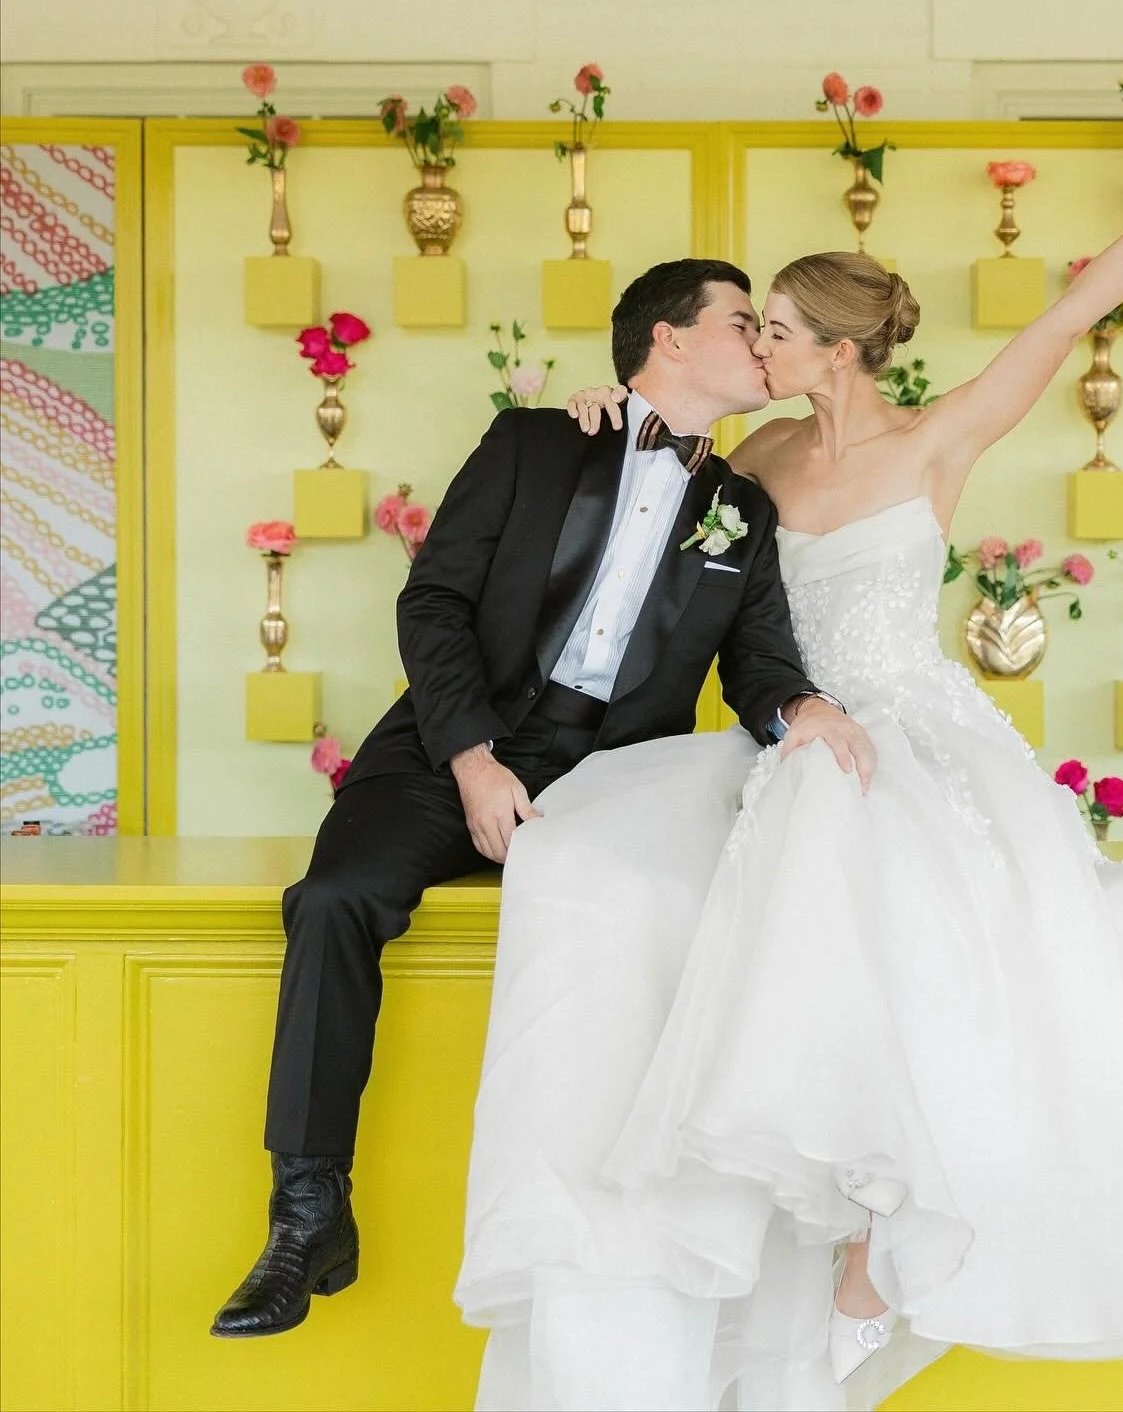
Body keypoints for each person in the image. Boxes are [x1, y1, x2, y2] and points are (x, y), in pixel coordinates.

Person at [457, 171, 1123, 1410]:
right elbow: (651, 486)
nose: (755, 346)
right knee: (722, 867)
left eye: (775, 332)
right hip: (792, 723)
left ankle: (877, 1244)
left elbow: (1073, 314)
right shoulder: (758, 450)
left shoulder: (937, 435)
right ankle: (808, 1230)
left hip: (914, 723)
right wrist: (605, 409)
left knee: (926, 885)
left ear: (836, 351)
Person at [210, 258, 873, 1341]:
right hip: (448, 747)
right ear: (669, 338)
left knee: (647, 927)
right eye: (743, 322)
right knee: (334, 897)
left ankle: (627, 1237)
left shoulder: (742, 508)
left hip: (612, 784)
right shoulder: (535, 442)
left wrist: (803, 709)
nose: (763, 344)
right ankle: (306, 1210)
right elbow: (433, 603)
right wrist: (470, 756)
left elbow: (757, 660)